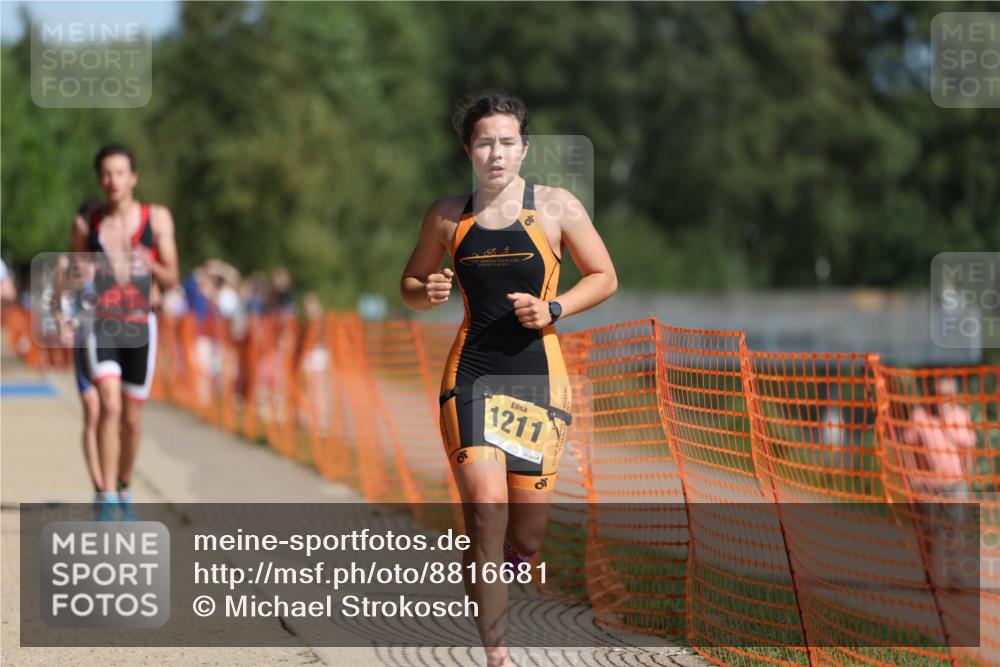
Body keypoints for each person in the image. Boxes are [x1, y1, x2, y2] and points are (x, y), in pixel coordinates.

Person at [400, 91, 617, 666]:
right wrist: (430, 292)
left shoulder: (556, 207)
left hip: (538, 380)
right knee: (487, 511)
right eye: (483, 142)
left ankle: (491, 558)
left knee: (529, 538)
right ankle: (499, 658)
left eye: (507, 142)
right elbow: (411, 286)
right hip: (471, 374)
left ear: (524, 148)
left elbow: (604, 276)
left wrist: (556, 309)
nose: (496, 153)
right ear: (468, 149)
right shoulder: (447, 215)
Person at [72, 143, 179, 520]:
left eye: (120, 173)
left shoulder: (157, 219)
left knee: (132, 420)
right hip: (101, 324)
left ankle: (123, 484)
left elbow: (172, 276)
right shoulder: (89, 224)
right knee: (109, 407)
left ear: (133, 177)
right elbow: (74, 272)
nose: (112, 180)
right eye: (106, 173)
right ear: (99, 179)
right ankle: (105, 497)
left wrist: (150, 264)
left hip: (140, 326)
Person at [903, 375, 977, 585]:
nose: (941, 399)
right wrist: (913, 475)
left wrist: (966, 478)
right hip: (928, 485)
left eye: (946, 395)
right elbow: (907, 448)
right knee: (930, 532)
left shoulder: (961, 416)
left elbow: (968, 449)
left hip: (955, 483)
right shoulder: (920, 416)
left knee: (956, 529)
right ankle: (930, 575)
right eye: (938, 394)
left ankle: (955, 576)